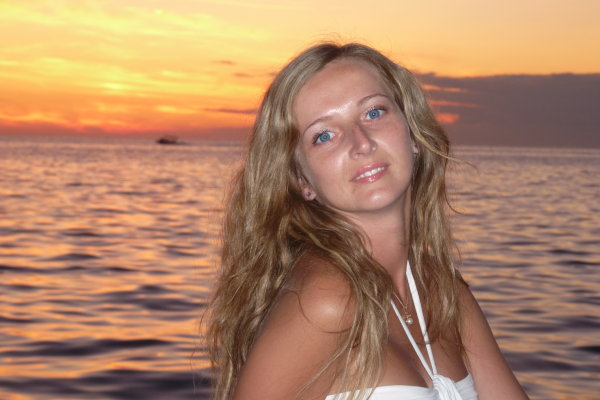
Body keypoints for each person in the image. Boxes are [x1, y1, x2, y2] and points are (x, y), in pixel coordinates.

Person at [207, 42, 528, 400]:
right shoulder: (326, 300)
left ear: (413, 132)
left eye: (374, 113)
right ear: (301, 181)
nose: (361, 143)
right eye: (324, 136)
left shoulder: (445, 292)